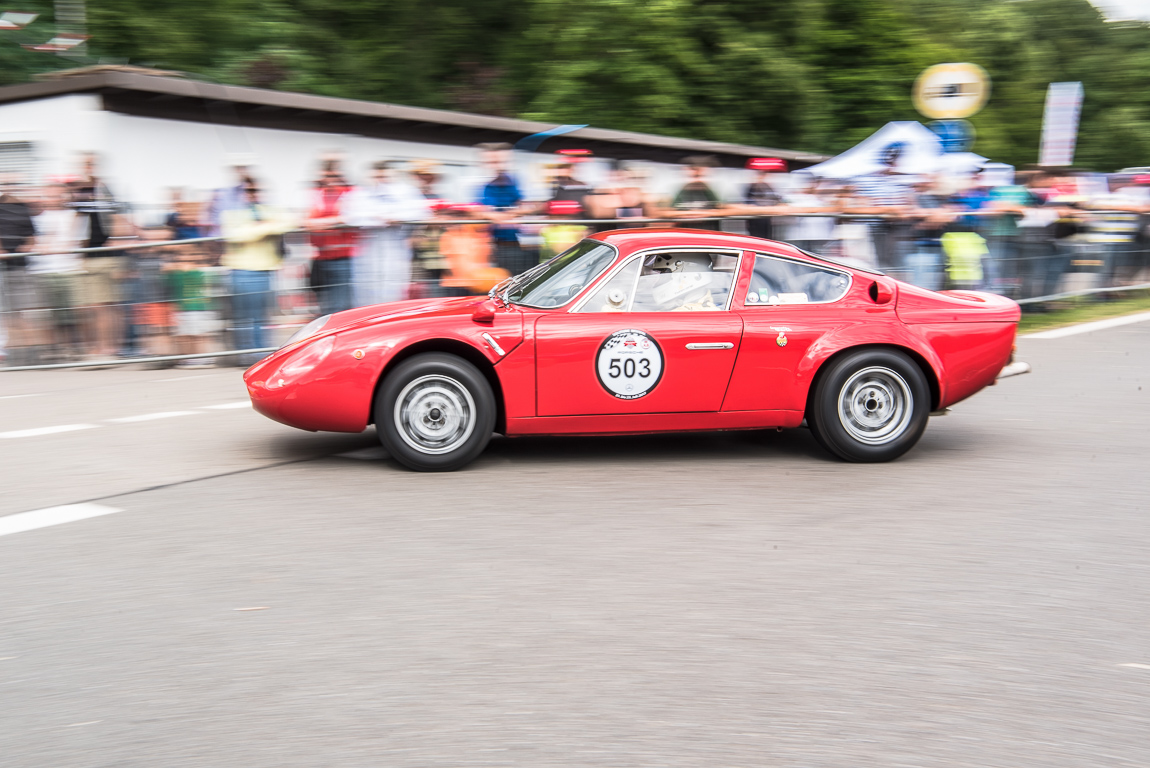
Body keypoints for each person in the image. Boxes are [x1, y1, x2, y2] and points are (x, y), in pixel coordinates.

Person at [221, 180, 293, 363]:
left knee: (260, 317)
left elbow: (289, 222)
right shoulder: (232, 213)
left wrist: (255, 228)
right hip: (241, 271)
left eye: (255, 190)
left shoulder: (268, 210)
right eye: (248, 190)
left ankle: (260, 356)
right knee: (243, 317)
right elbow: (237, 235)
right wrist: (266, 227)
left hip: (264, 270)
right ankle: (245, 355)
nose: (252, 194)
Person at [343, 160, 430, 306]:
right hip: (368, 249)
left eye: (385, 177)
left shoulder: (406, 192)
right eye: (377, 177)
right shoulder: (359, 194)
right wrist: (376, 218)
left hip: (396, 248)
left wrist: (397, 218)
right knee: (366, 289)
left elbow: (422, 213)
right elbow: (349, 216)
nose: (381, 181)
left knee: (394, 288)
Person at [70, 152, 127, 358]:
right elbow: (77, 221)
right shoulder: (82, 191)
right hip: (89, 255)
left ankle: (107, 349)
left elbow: (118, 219)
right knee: (95, 307)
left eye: (91, 164)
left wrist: (118, 251)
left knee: (104, 307)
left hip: (106, 255)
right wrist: (74, 251)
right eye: (84, 164)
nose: (87, 168)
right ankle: (103, 347)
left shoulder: (105, 190)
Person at [30, 183, 89, 360]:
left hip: (69, 269)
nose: (53, 199)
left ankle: (74, 348)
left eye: (58, 195)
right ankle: (53, 350)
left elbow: (80, 242)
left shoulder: (76, 216)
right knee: (48, 314)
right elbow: (32, 241)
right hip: (42, 270)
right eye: (49, 195)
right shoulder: (34, 217)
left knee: (71, 314)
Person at [304, 158, 356, 315]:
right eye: (327, 172)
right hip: (320, 258)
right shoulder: (317, 195)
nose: (329, 178)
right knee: (324, 307)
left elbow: (349, 217)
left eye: (333, 172)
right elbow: (307, 221)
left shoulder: (349, 193)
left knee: (341, 306)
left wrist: (322, 222)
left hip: (342, 258)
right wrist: (332, 221)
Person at [474, 142, 529, 275]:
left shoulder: (515, 181)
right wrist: (493, 215)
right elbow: (474, 210)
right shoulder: (482, 184)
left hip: (508, 244)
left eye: (499, 161)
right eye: (492, 162)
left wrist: (508, 214)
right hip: (483, 246)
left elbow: (529, 206)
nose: (496, 166)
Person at [0, 177, 36, 364]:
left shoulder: (23, 208)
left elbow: (31, 236)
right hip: (3, 268)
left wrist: (27, 246)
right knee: (7, 314)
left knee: (20, 311)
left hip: (19, 266)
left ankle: (28, 353)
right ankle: (13, 353)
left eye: (12, 184)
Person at [740, 157, 788, 239]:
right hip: (758, 218)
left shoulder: (765, 186)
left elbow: (776, 199)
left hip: (765, 218)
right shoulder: (755, 185)